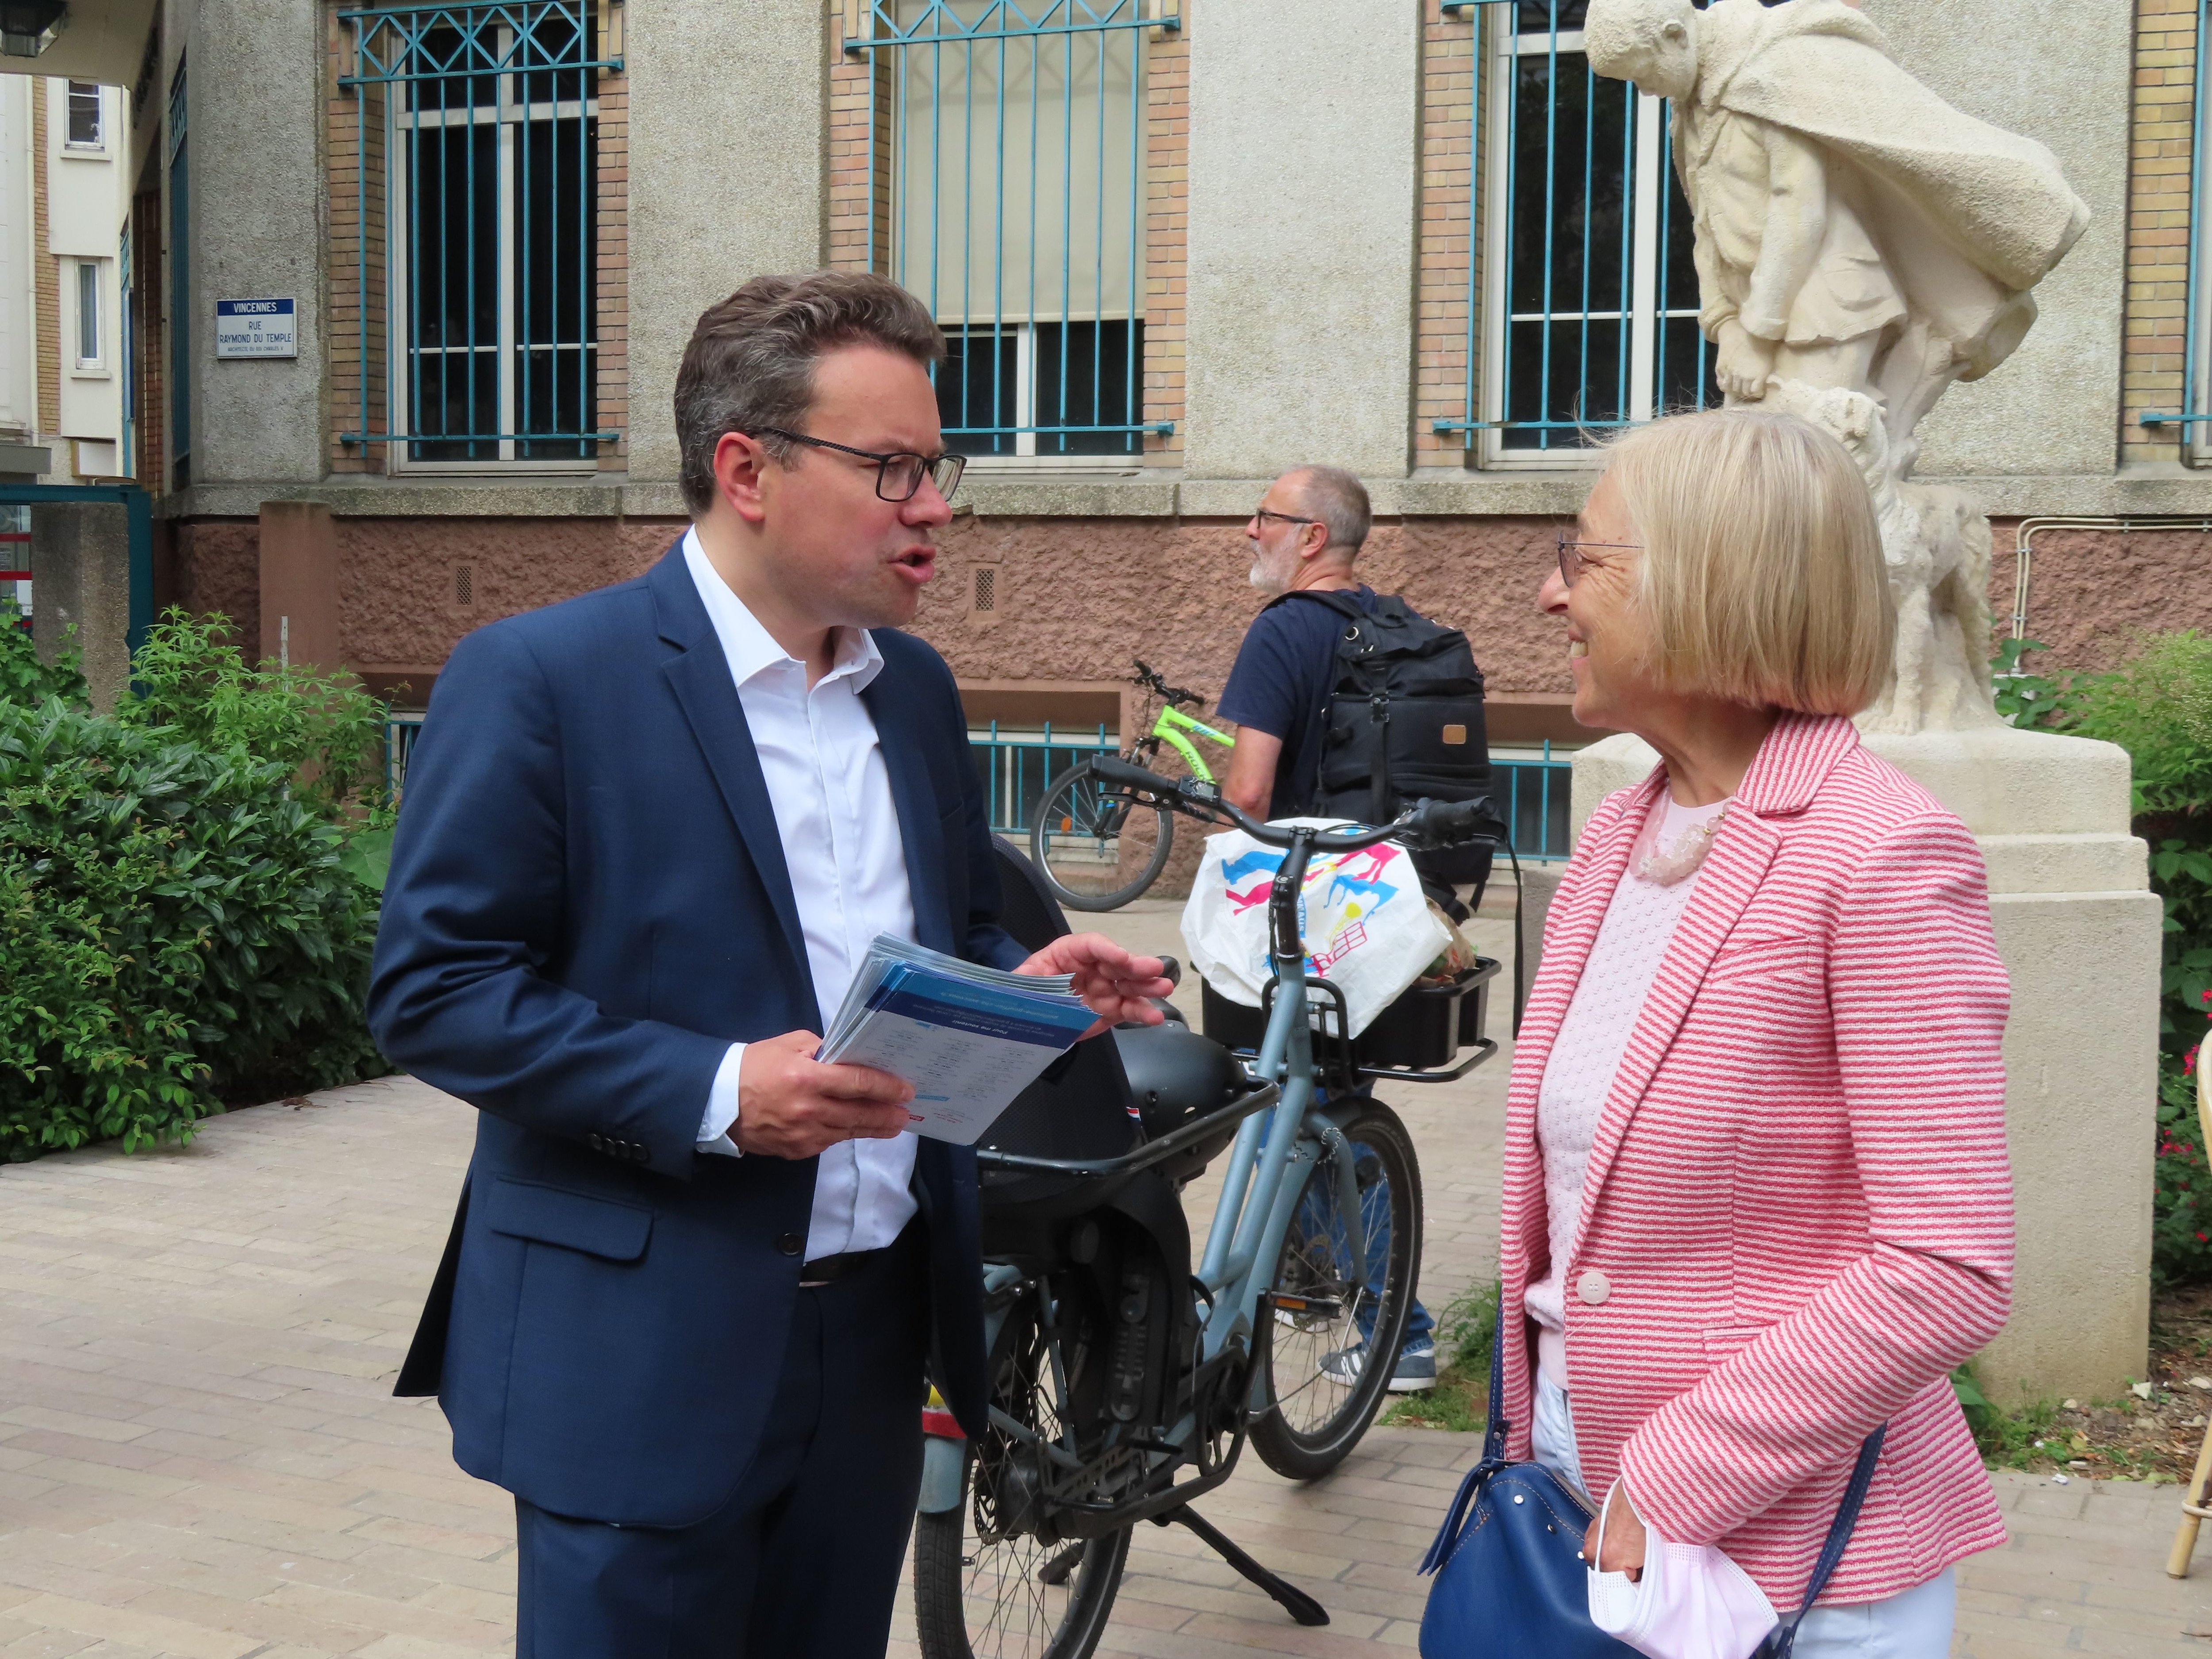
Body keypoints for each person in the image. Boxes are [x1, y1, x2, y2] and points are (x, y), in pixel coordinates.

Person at [366, 271, 1171, 1659]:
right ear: (747, 468)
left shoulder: (909, 688)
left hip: (869, 1336)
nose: (937, 506)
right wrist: (716, 1088)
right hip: (635, 1350)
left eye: (940, 465)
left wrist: (1024, 981)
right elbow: (434, 988)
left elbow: (930, 938)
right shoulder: (544, 679)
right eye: (895, 469)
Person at [1508, 405, 2011, 1653]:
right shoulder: (1625, 833)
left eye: (1585, 558)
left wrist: (1673, 1472)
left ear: (1708, 585)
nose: (1548, 592)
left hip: (1794, 1552)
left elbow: (1947, 1263)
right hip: (1577, 1478)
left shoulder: (1883, 852)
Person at [1216, 465, 1439, 1395]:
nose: (1248, 533)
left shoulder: (1284, 633)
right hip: (1381, 910)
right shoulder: (1389, 626)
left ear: (1311, 536)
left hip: (1303, 917)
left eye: (1264, 518)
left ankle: (1400, 1326)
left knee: (1284, 1118)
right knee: (1323, 1112)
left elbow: (1252, 794)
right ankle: (1351, 1308)